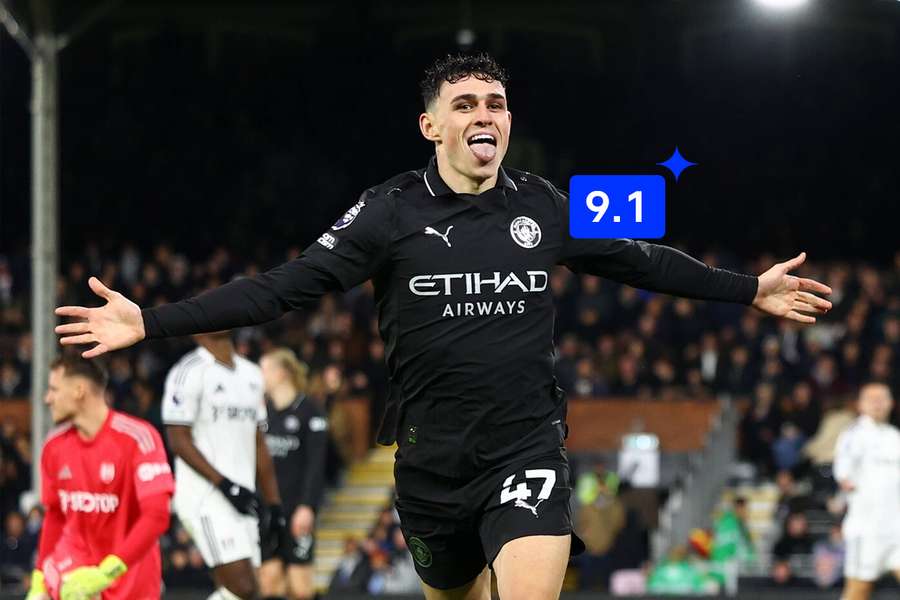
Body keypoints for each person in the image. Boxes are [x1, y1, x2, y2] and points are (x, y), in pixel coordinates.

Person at [55, 53, 832, 600]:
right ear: (430, 126)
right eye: (465, 105)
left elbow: (643, 260)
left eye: (494, 103)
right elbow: (282, 289)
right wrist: (151, 321)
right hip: (431, 467)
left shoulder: (543, 205)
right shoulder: (388, 211)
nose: (483, 115)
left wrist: (747, 290)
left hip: (526, 447)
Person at [26, 355, 174, 600]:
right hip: (73, 580)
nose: (47, 398)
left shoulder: (138, 438)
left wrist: (106, 573)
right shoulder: (54, 446)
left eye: (53, 389)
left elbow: (157, 516)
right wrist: (39, 580)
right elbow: (55, 515)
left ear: (79, 391)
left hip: (131, 584)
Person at [162, 332, 286, 600]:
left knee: (247, 591)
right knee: (243, 587)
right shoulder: (188, 371)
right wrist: (225, 485)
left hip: (244, 497)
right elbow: (178, 440)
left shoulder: (252, 374)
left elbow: (258, 442)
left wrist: (274, 503)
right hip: (205, 496)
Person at [258, 348, 328, 600]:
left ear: (282, 372)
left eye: (264, 369)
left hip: (296, 507)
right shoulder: (260, 411)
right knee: (269, 581)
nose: (259, 376)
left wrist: (308, 506)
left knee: (300, 587)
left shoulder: (310, 411)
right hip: (266, 510)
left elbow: (316, 465)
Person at [833, 382, 900, 600]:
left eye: (882, 398)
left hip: (896, 527)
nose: (878, 404)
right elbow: (843, 472)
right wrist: (845, 480)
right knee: (859, 590)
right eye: (872, 399)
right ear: (860, 405)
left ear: (892, 403)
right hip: (867, 529)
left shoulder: (894, 436)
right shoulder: (854, 435)